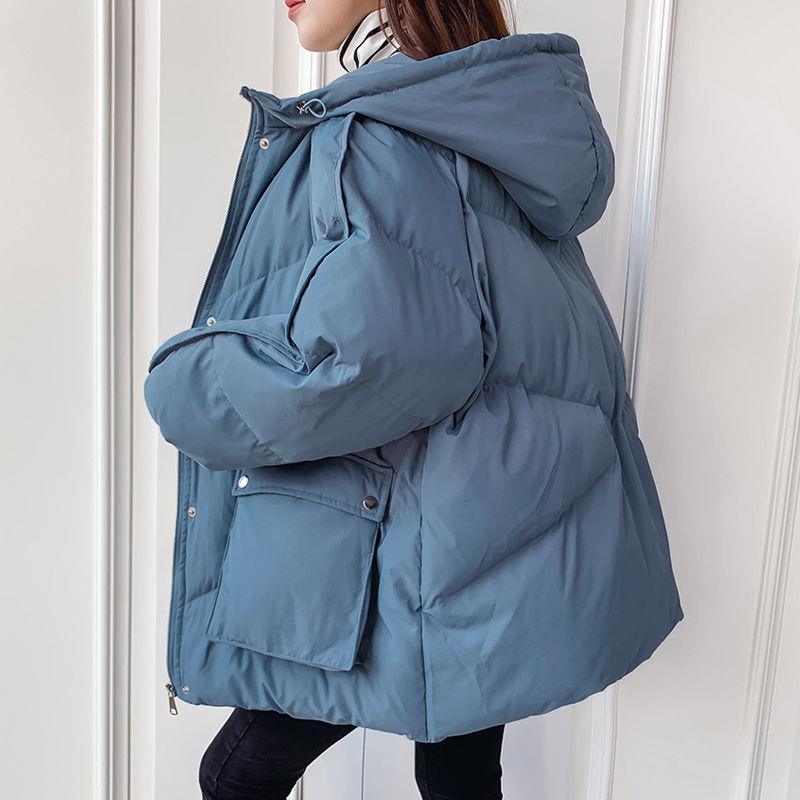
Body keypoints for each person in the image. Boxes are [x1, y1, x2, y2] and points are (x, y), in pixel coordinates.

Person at [143, 1, 685, 798]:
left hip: (415, 544)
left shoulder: (381, 130)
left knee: (237, 775)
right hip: (494, 532)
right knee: (459, 776)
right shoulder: (484, 115)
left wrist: (188, 386)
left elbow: (377, 358)